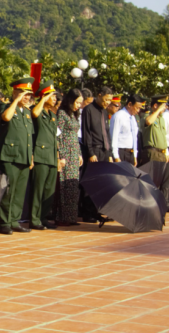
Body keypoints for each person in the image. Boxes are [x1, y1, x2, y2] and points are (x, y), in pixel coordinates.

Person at [0, 77, 35, 234]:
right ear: (15, 93)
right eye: (23, 94)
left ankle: (14, 220)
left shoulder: (27, 112)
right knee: (8, 190)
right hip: (10, 156)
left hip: (24, 156)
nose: (26, 97)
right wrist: (16, 101)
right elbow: (6, 118)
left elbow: (29, 136)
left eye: (28, 94)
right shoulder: (5, 107)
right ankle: (4, 222)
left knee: (19, 192)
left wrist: (31, 156)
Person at [30, 81, 64, 230]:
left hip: (51, 156)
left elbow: (55, 138)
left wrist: (57, 158)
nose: (55, 99)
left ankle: (43, 217)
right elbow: (35, 114)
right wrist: (43, 99)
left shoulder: (52, 115)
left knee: (49, 190)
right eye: (52, 96)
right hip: (40, 155)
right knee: (38, 189)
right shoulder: (38, 110)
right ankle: (34, 219)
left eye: (55, 97)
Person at [80, 86, 113, 223]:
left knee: (102, 183)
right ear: (99, 95)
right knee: (91, 183)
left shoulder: (104, 112)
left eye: (109, 101)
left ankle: (97, 211)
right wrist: (91, 152)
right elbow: (86, 133)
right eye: (106, 99)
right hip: (94, 150)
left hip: (104, 151)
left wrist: (109, 153)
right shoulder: (88, 110)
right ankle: (87, 213)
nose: (107, 103)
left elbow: (107, 133)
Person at [57, 89, 84, 226]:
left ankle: (72, 216)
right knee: (65, 184)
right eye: (77, 102)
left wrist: (79, 154)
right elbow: (58, 135)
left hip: (74, 152)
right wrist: (60, 155)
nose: (79, 105)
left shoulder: (74, 115)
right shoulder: (61, 114)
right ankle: (63, 216)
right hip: (65, 152)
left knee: (73, 185)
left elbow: (75, 136)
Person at [110, 94, 144, 166]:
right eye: (137, 108)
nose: (138, 111)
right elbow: (113, 137)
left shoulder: (133, 118)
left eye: (139, 108)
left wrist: (134, 155)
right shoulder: (118, 116)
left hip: (130, 153)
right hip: (121, 152)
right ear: (129, 104)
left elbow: (134, 137)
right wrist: (116, 156)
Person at [141, 95, 169, 166]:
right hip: (153, 152)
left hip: (162, 153)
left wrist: (166, 152)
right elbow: (149, 121)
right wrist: (158, 110)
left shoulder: (161, 118)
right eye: (163, 106)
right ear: (155, 105)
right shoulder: (147, 116)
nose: (165, 108)